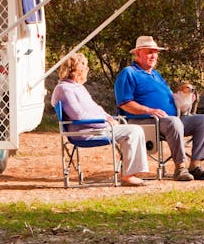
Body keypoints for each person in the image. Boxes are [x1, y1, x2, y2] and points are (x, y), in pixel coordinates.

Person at [114, 36, 204, 181]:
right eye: (149, 52)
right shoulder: (128, 73)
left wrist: (184, 99)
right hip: (146, 121)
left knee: (203, 120)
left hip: (171, 120)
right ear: (137, 54)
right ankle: (180, 168)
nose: (154, 56)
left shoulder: (156, 75)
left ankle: (195, 166)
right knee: (174, 122)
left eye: (155, 52)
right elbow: (125, 103)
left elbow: (169, 98)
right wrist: (149, 110)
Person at [51, 53, 149, 186]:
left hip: (96, 127)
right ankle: (128, 176)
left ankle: (129, 172)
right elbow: (78, 115)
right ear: (77, 71)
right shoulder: (64, 89)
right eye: (85, 68)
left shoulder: (77, 87)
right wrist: (103, 122)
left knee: (133, 129)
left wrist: (107, 117)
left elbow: (95, 108)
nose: (87, 71)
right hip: (85, 132)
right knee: (133, 131)